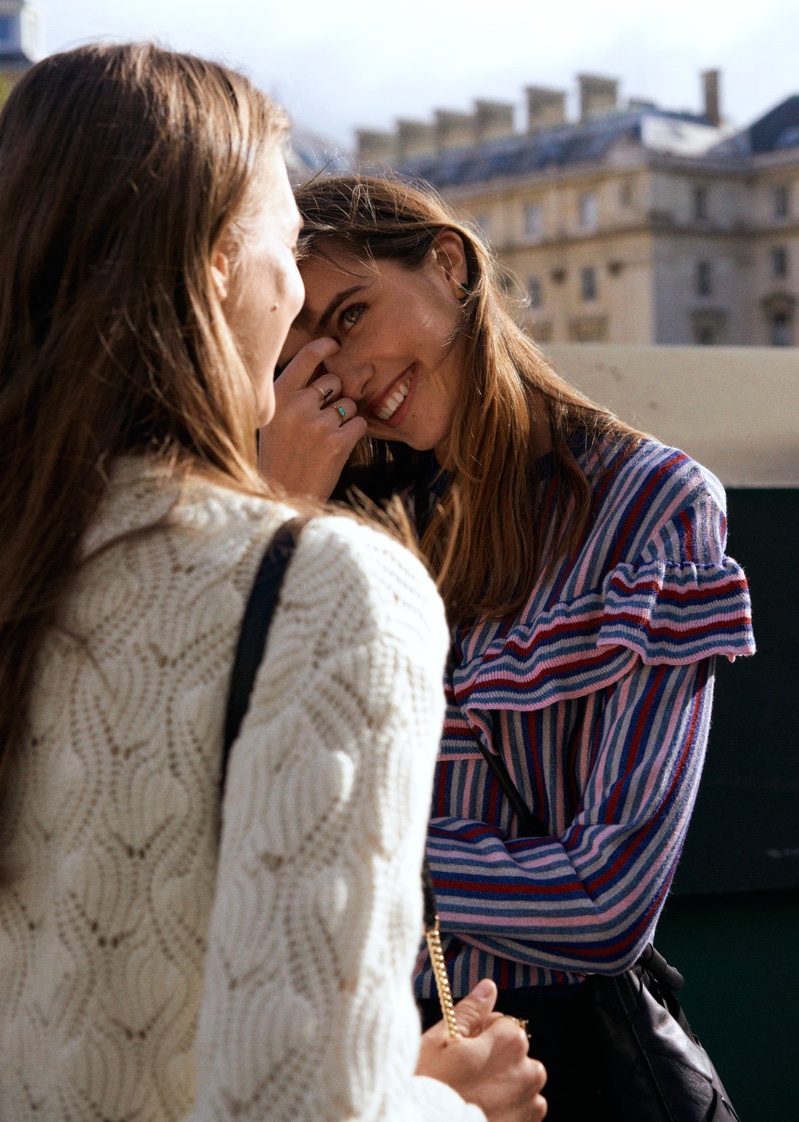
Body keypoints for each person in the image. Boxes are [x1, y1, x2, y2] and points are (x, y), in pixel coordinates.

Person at [0, 46, 547, 1122]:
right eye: (291, 254)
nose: (301, 311)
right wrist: (443, 1104)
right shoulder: (334, 591)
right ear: (215, 263)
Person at [262, 174, 757, 1121]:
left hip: (564, 1066)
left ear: (446, 264)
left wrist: (343, 854)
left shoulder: (648, 505)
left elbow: (606, 898)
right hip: (374, 1066)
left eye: (352, 315)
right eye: (309, 354)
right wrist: (277, 512)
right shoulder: (343, 516)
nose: (348, 373)